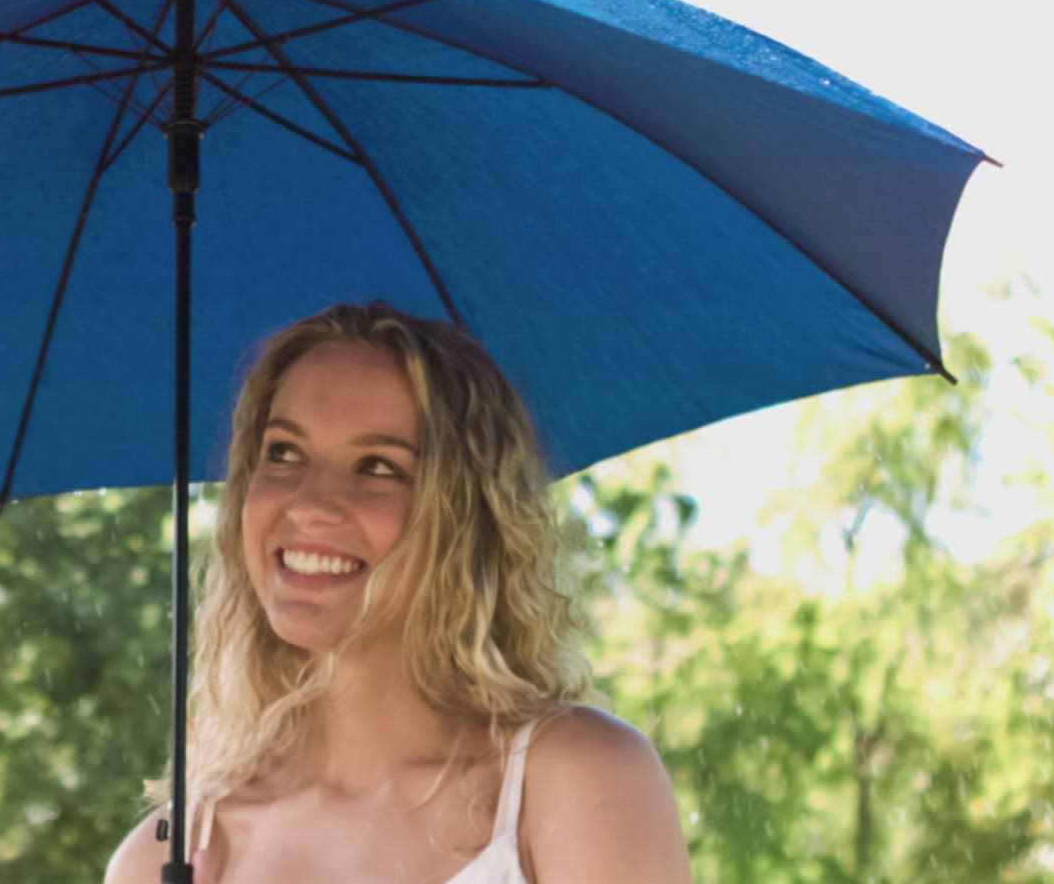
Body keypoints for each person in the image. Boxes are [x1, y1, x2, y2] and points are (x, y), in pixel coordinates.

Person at [105, 302, 693, 883]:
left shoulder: (579, 780)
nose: (309, 505)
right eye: (283, 452)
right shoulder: (163, 859)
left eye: (378, 466)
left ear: (468, 516)